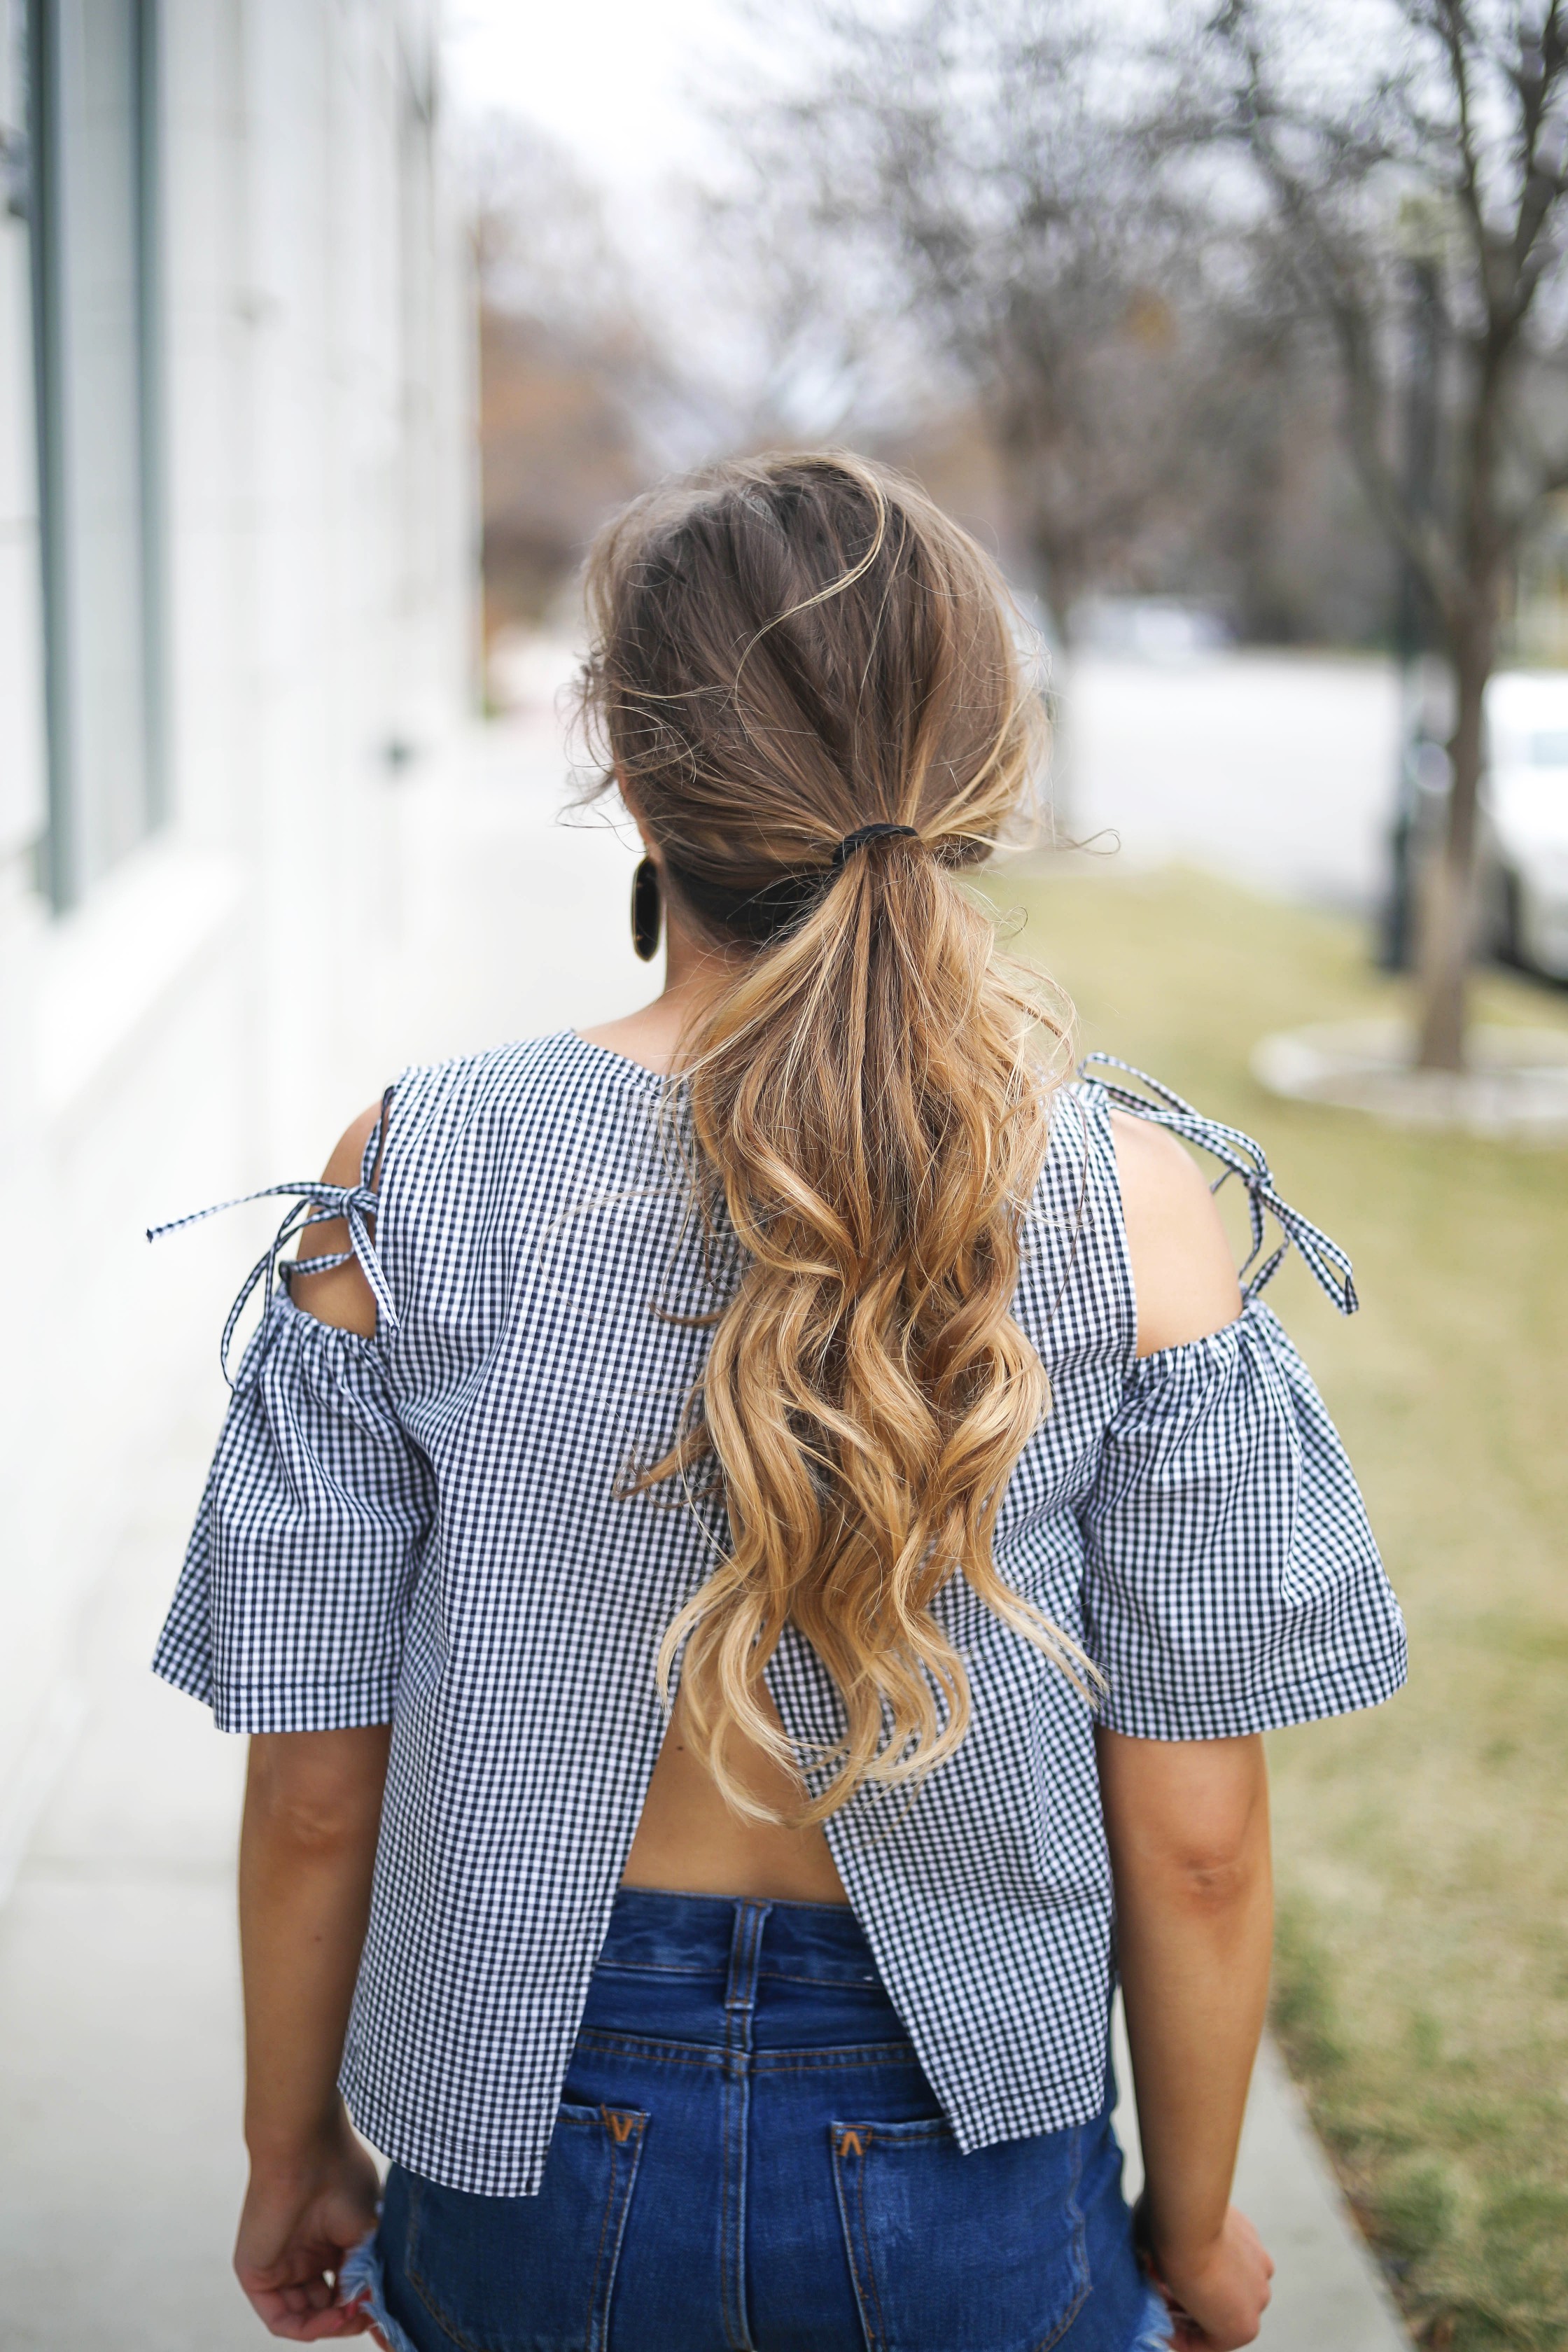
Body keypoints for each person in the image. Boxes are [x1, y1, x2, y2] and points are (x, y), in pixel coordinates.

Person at [151, 452, 1406, 2352]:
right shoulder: (1126, 1203)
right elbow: (1202, 1830)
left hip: (527, 2139)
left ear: (634, 777)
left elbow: (320, 1781)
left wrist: (291, 2138)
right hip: (972, 2145)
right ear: (983, 775)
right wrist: (1203, 2217)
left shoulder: (426, 1163)